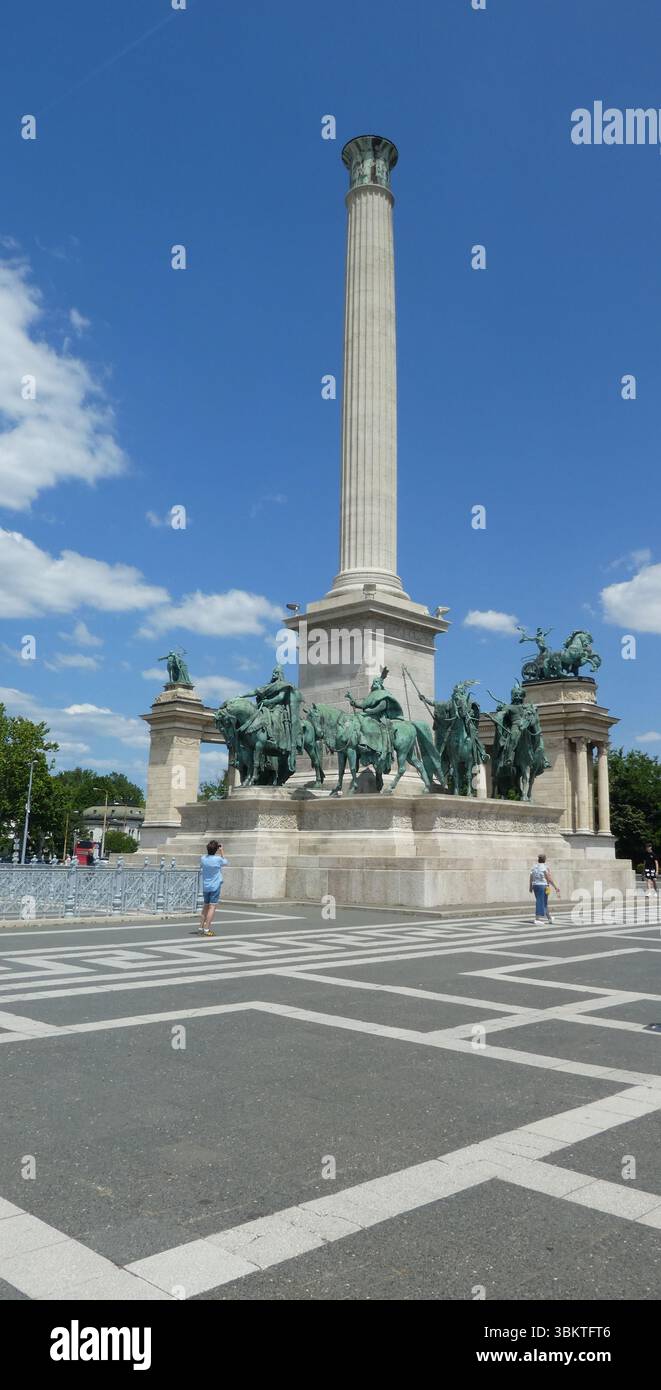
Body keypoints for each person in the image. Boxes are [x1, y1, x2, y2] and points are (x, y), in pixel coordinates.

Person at [198, 839, 228, 937]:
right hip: (215, 886)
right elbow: (226, 862)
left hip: (206, 886)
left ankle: (201, 927)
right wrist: (222, 851)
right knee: (212, 907)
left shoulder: (203, 858)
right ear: (216, 849)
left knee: (205, 906)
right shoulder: (218, 859)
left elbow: (201, 865)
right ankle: (207, 929)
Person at [529, 852, 559, 923]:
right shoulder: (545, 867)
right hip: (543, 886)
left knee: (543, 902)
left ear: (538, 859)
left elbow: (531, 877)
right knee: (540, 902)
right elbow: (549, 878)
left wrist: (530, 886)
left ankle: (549, 918)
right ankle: (537, 919)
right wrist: (555, 887)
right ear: (545, 859)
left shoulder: (534, 866)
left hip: (535, 885)